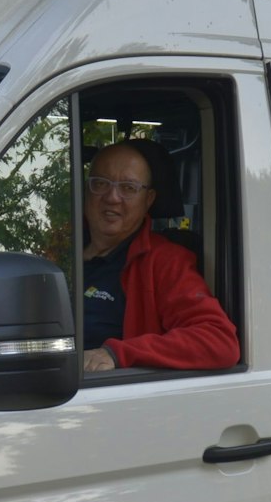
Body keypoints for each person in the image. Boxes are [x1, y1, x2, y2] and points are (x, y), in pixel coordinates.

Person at [79, 141, 240, 373]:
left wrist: (118, 354)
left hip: (104, 400)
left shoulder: (165, 261)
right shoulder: (61, 251)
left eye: (129, 188)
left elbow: (219, 341)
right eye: (101, 183)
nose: (112, 197)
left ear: (149, 199)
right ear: (86, 189)